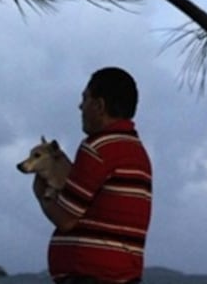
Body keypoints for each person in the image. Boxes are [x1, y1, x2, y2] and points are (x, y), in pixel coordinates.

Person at [33, 67, 152, 284]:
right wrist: (67, 170)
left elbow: (66, 218)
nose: (80, 106)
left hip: (91, 277)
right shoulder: (135, 151)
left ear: (100, 106)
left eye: (85, 98)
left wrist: (42, 194)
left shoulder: (96, 148)